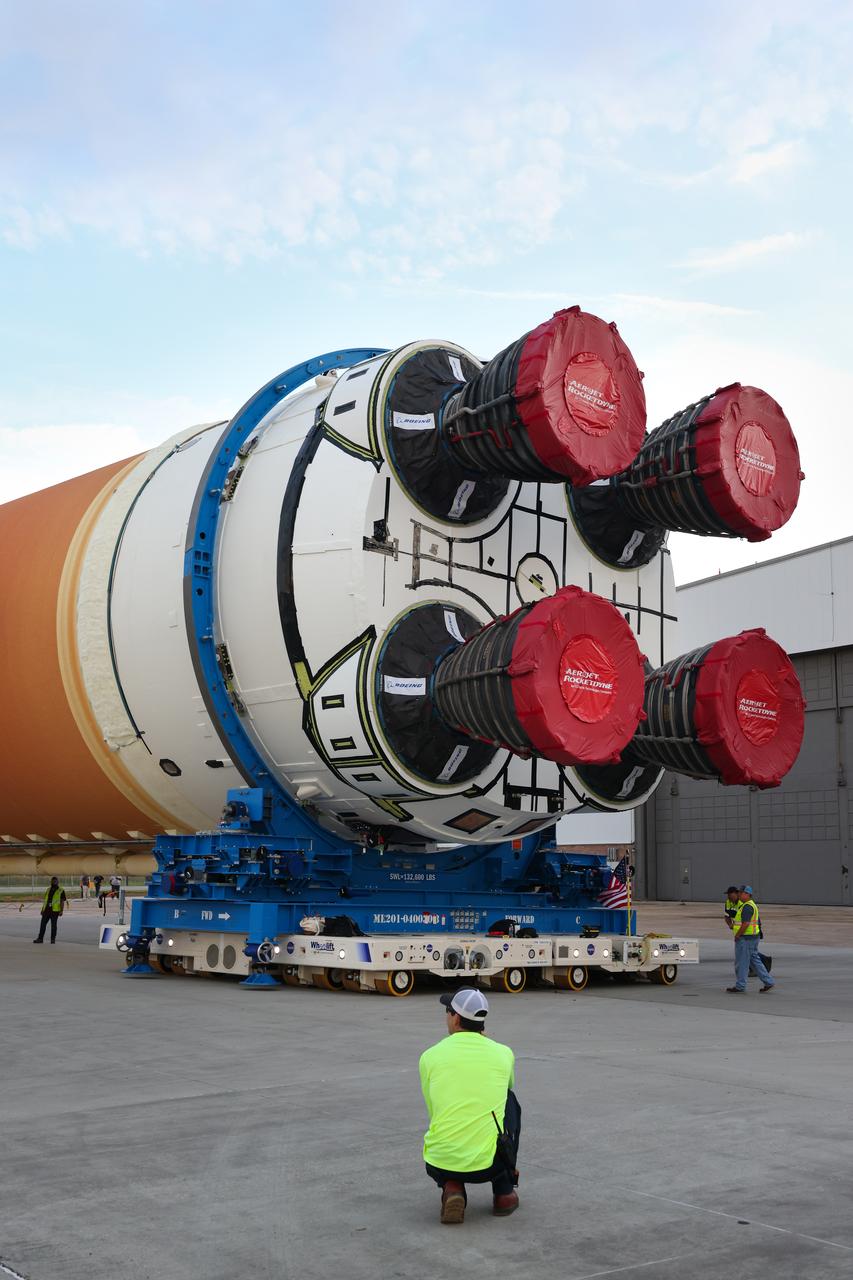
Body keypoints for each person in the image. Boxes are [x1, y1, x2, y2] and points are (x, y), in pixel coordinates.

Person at [419, 987, 520, 1225]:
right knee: (510, 1101)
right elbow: (506, 1091)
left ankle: (452, 1186)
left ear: (455, 1017)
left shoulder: (429, 1057)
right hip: (489, 1165)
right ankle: (504, 1192)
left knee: (447, 1113)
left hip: (439, 1158)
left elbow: (433, 1109)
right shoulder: (503, 1053)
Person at [727, 886, 775, 993]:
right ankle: (769, 982)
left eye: (741, 893)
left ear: (747, 894)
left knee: (742, 963)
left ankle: (740, 986)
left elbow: (745, 924)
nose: (739, 895)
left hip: (746, 939)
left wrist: (737, 935)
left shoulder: (747, 907)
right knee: (755, 962)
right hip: (752, 937)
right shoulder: (749, 905)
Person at [33, 876, 68, 944]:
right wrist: (42, 909)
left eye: (55, 881)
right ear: (51, 882)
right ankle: (40, 938)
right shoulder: (48, 889)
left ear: (58, 882)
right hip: (46, 910)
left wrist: (61, 910)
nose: (54, 882)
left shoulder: (61, 890)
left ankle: (52, 939)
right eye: (53, 881)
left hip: (55, 911)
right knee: (42, 924)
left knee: (53, 926)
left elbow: (62, 901)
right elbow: (45, 900)